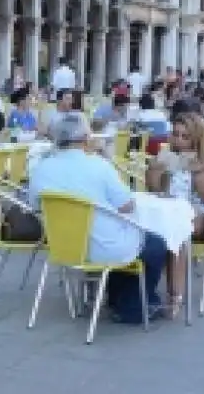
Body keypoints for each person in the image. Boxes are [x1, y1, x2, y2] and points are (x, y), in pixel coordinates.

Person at [27, 112, 167, 323]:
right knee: (155, 244)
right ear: (86, 139)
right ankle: (133, 306)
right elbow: (126, 205)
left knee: (126, 239)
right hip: (103, 246)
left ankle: (120, 299)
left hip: (64, 246)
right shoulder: (98, 166)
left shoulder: (41, 168)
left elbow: (36, 205)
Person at [145, 112, 204, 318]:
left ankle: (175, 296)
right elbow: (154, 191)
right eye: (175, 134)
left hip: (202, 213)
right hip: (169, 208)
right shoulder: (167, 156)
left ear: (196, 138)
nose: (178, 140)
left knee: (179, 232)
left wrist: (197, 175)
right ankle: (134, 292)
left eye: (185, 136)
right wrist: (155, 171)